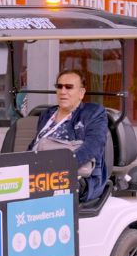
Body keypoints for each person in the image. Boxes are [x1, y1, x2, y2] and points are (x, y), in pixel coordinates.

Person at [29, 69, 109, 200]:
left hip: (77, 175)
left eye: (69, 87)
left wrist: (60, 166)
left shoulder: (93, 112)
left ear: (81, 92)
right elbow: (34, 144)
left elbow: (94, 145)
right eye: (59, 87)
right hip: (39, 174)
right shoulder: (46, 114)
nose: (63, 92)